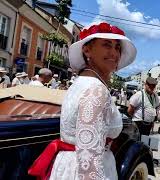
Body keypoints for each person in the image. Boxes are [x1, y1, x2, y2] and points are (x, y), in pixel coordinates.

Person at [28, 22, 137, 180]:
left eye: (117, 47)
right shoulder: (96, 89)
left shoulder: (81, 82)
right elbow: (89, 161)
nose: (114, 52)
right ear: (87, 49)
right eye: (107, 45)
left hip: (68, 166)